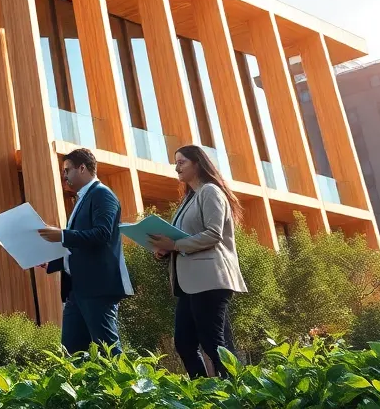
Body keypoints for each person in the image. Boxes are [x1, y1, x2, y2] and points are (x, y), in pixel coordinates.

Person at [149, 144, 248, 378]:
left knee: (214, 345)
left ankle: (234, 395)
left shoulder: (210, 191)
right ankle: (204, 392)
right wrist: (165, 250)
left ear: (197, 163)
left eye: (181, 162)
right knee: (184, 343)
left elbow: (214, 234)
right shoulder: (188, 200)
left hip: (210, 278)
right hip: (189, 283)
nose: (177, 168)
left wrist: (175, 245)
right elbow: (181, 238)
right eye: (176, 163)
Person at [36, 148, 133, 355]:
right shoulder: (82, 199)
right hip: (76, 289)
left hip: (97, 287)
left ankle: (125, 386)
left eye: (67, 170)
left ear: (82, 168)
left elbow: (101, 234)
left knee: (109, 351)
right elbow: (79, 249)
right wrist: (54, 262)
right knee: (71, 353)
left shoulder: (102, 195)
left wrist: (62, 235)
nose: (64, 176)